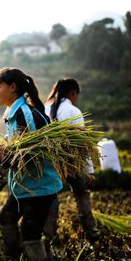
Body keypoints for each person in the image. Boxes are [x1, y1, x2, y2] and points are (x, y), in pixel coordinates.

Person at [0, 67, 63, 261]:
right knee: (6, 219)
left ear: (12, 87)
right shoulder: (13, 114)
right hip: (24, 186)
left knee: (30, 235)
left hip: (39, 187)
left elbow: (31, 159)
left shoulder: (25, 115)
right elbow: (21, 149)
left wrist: (2, 157)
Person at [43, 78, 100, 243]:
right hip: (71, 164)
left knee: (51, 196)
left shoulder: (44, 109)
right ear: (73, 93)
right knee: (82, 193)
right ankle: (91, 232)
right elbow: (83, 146)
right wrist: (89, 171)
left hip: (50, 164)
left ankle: (49, 236)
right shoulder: (73, 111)